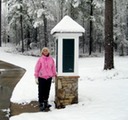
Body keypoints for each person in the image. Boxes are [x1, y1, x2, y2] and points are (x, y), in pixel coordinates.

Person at [34, 47, 56, 111]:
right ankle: (41, 103)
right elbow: (37, 68)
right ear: (42, 52)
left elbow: (53, 68)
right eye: (44, 51)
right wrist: (36, 77)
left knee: (47, 90)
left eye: (46, 50)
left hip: (49, 77)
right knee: (41, 91)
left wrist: (54, 76)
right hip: (42, 77)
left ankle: (46, 102)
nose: (45, 52)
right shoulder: (40, 59)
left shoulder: (51, 59)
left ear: (48, 52)